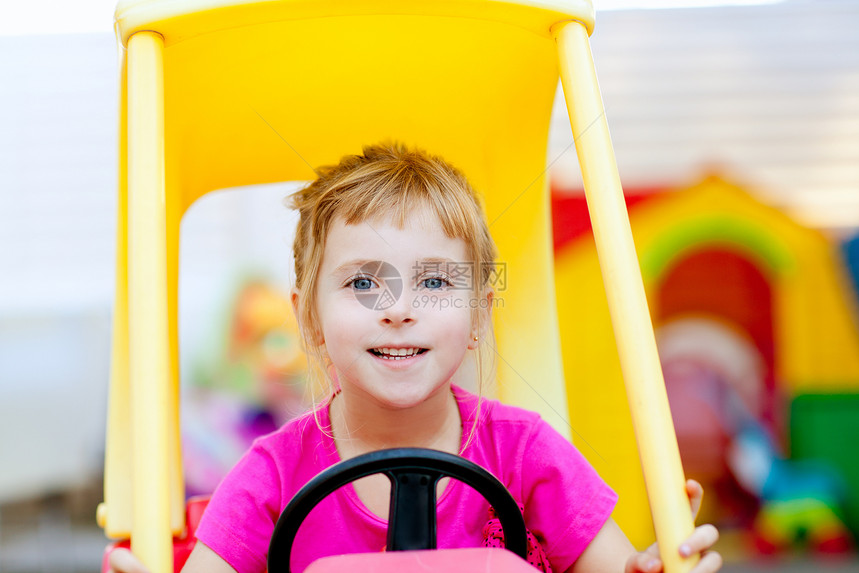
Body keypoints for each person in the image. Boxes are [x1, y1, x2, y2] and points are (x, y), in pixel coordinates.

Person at [109, 143, 722, 573]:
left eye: (433, 282)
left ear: (479, 315)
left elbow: (618, 569)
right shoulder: (270, 473)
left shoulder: (526, 452)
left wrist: (653, 564)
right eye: (364, 283)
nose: (399, 308)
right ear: (309, 319)